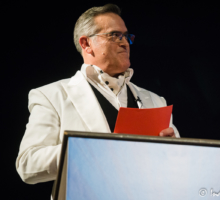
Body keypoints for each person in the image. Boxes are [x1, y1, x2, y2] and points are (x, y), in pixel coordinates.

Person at [16, 4, 180, 185]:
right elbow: (27, 164)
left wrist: (174, 150)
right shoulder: (52, 95)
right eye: (114, 35)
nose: (124, 42)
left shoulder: (156, 101)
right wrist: (90, 148)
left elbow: (179, 165)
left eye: (126, 36)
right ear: (86, 44)